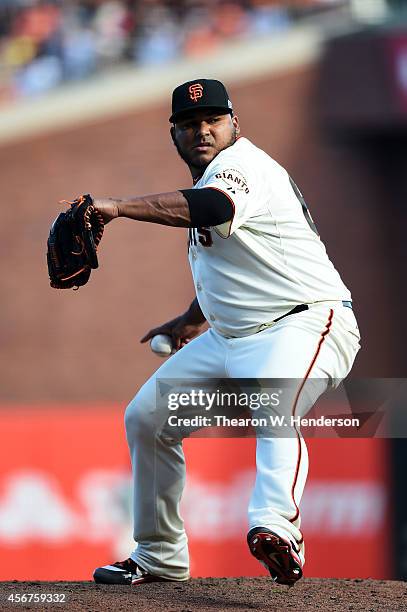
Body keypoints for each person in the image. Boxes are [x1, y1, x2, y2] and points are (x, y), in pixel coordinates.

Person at [91, 78, 361, 586]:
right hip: (232, 336)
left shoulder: (242, 167)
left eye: (213, 120)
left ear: (235, 123)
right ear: (173, 134)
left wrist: (118, 207)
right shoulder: (211, 177)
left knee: (274, 402)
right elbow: (237, 262)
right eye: (190, 124)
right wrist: (192, 318)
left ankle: (277, 526)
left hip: (305, 322)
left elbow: (215, 208)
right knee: (148, 419)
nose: (203, 130)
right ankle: (160, 557)